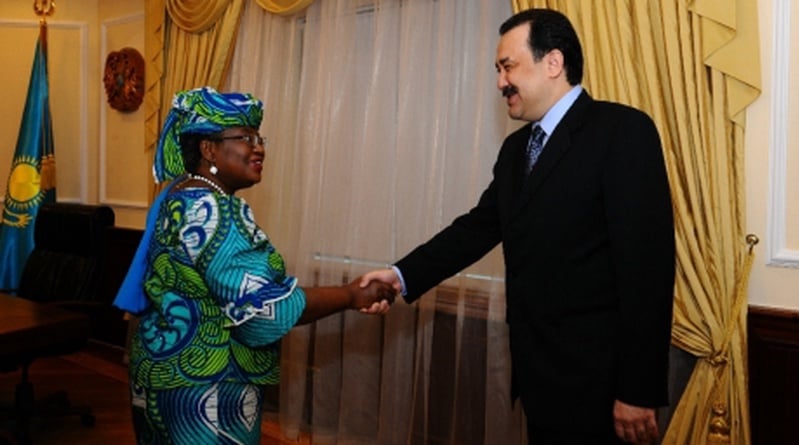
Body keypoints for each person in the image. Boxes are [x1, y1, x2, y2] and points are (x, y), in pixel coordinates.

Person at [361, 8, 675, 445]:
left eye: (508, 67)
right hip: (538, 380)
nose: (500, 82)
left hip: (603, 387)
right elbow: (476, 228)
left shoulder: (622, 131)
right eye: (497, 69)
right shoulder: (515, 151)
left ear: (553, 63)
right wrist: (400, 276)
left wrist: (637, 390)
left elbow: (648, 272)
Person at [113, 86, 394, 444]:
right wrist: (352, 294)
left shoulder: (178, 195)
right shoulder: (215, 210)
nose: (259, 147)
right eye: (245, 137)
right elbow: (264, 309)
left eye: (259, 137)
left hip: (157, 375)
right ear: (208, 148)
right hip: (207, 388)